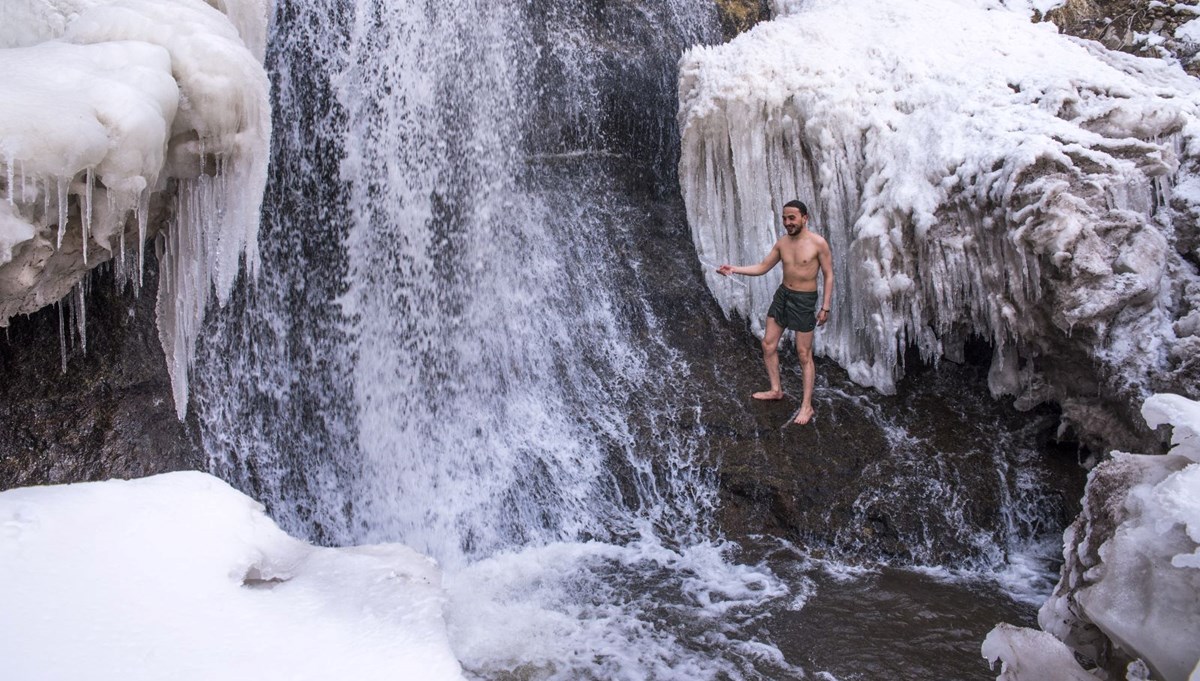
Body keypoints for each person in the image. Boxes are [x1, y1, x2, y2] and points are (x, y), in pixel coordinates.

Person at [717, 199, 833, 425]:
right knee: (768, 344)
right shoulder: (782, 244)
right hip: (783, 296)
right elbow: (762, 267)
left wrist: (825, 306)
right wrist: (733, 269)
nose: (787, 222)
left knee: (803, 354)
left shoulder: (818, 244)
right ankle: (776, 389)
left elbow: (829, 275)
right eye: (784, 218)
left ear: (804, 218)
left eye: (792, 218)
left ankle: (806, 406)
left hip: (804, 300)